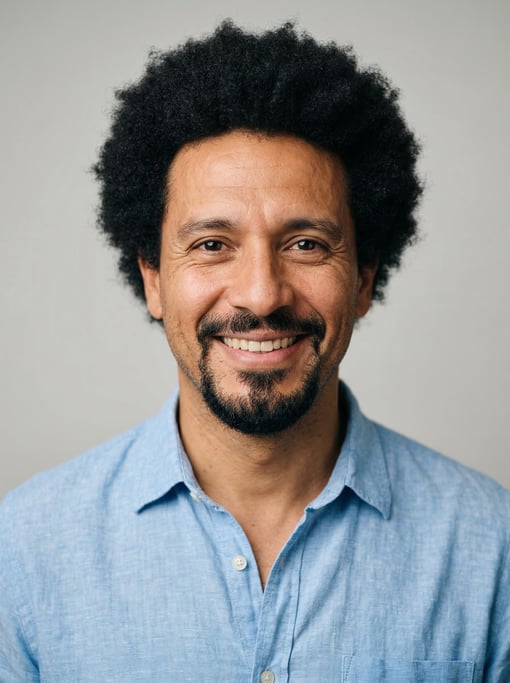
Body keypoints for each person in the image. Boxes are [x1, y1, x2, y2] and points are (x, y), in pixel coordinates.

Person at [1, 20, 509, 682]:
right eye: (212, 244)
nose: (262, 294)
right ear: (153, 278)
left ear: (363, 279)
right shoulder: (23, 549)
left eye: (306, 244)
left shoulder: (492, 549)